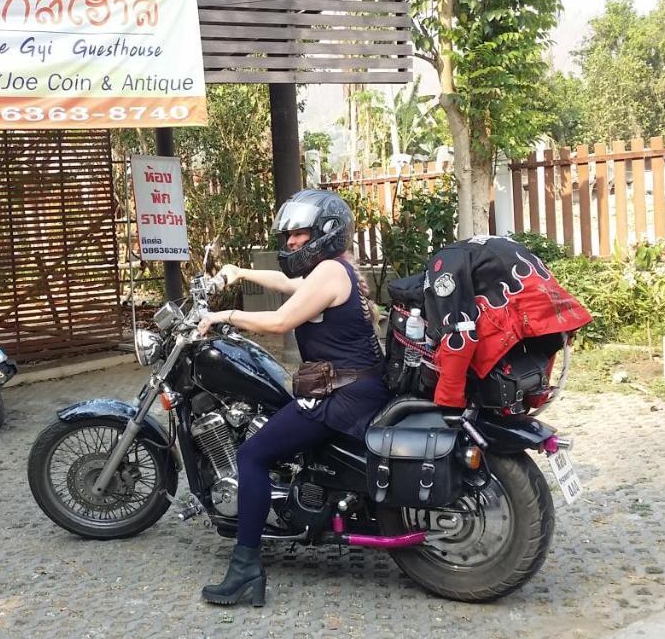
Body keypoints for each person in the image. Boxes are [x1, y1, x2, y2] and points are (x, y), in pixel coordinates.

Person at [195, 189, 390, 607]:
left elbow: (281, 320)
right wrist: (240, 272)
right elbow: (288, 283)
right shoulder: (339, 268)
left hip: (342, 394)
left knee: (251, 455)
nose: (291, 243)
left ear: (327, 231)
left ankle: (246, 568)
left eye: (300, 234)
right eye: (288, 236)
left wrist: (222, 316)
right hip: (358, 386)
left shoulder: (330, 273)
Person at [414, 235, 591, 409]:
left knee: (463, 334)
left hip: (515, 301)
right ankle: (535, 395)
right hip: (546, 302)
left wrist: (448, 407)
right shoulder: (472, 248)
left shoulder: (441, 266)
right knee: (541, 342)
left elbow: (460, 333)